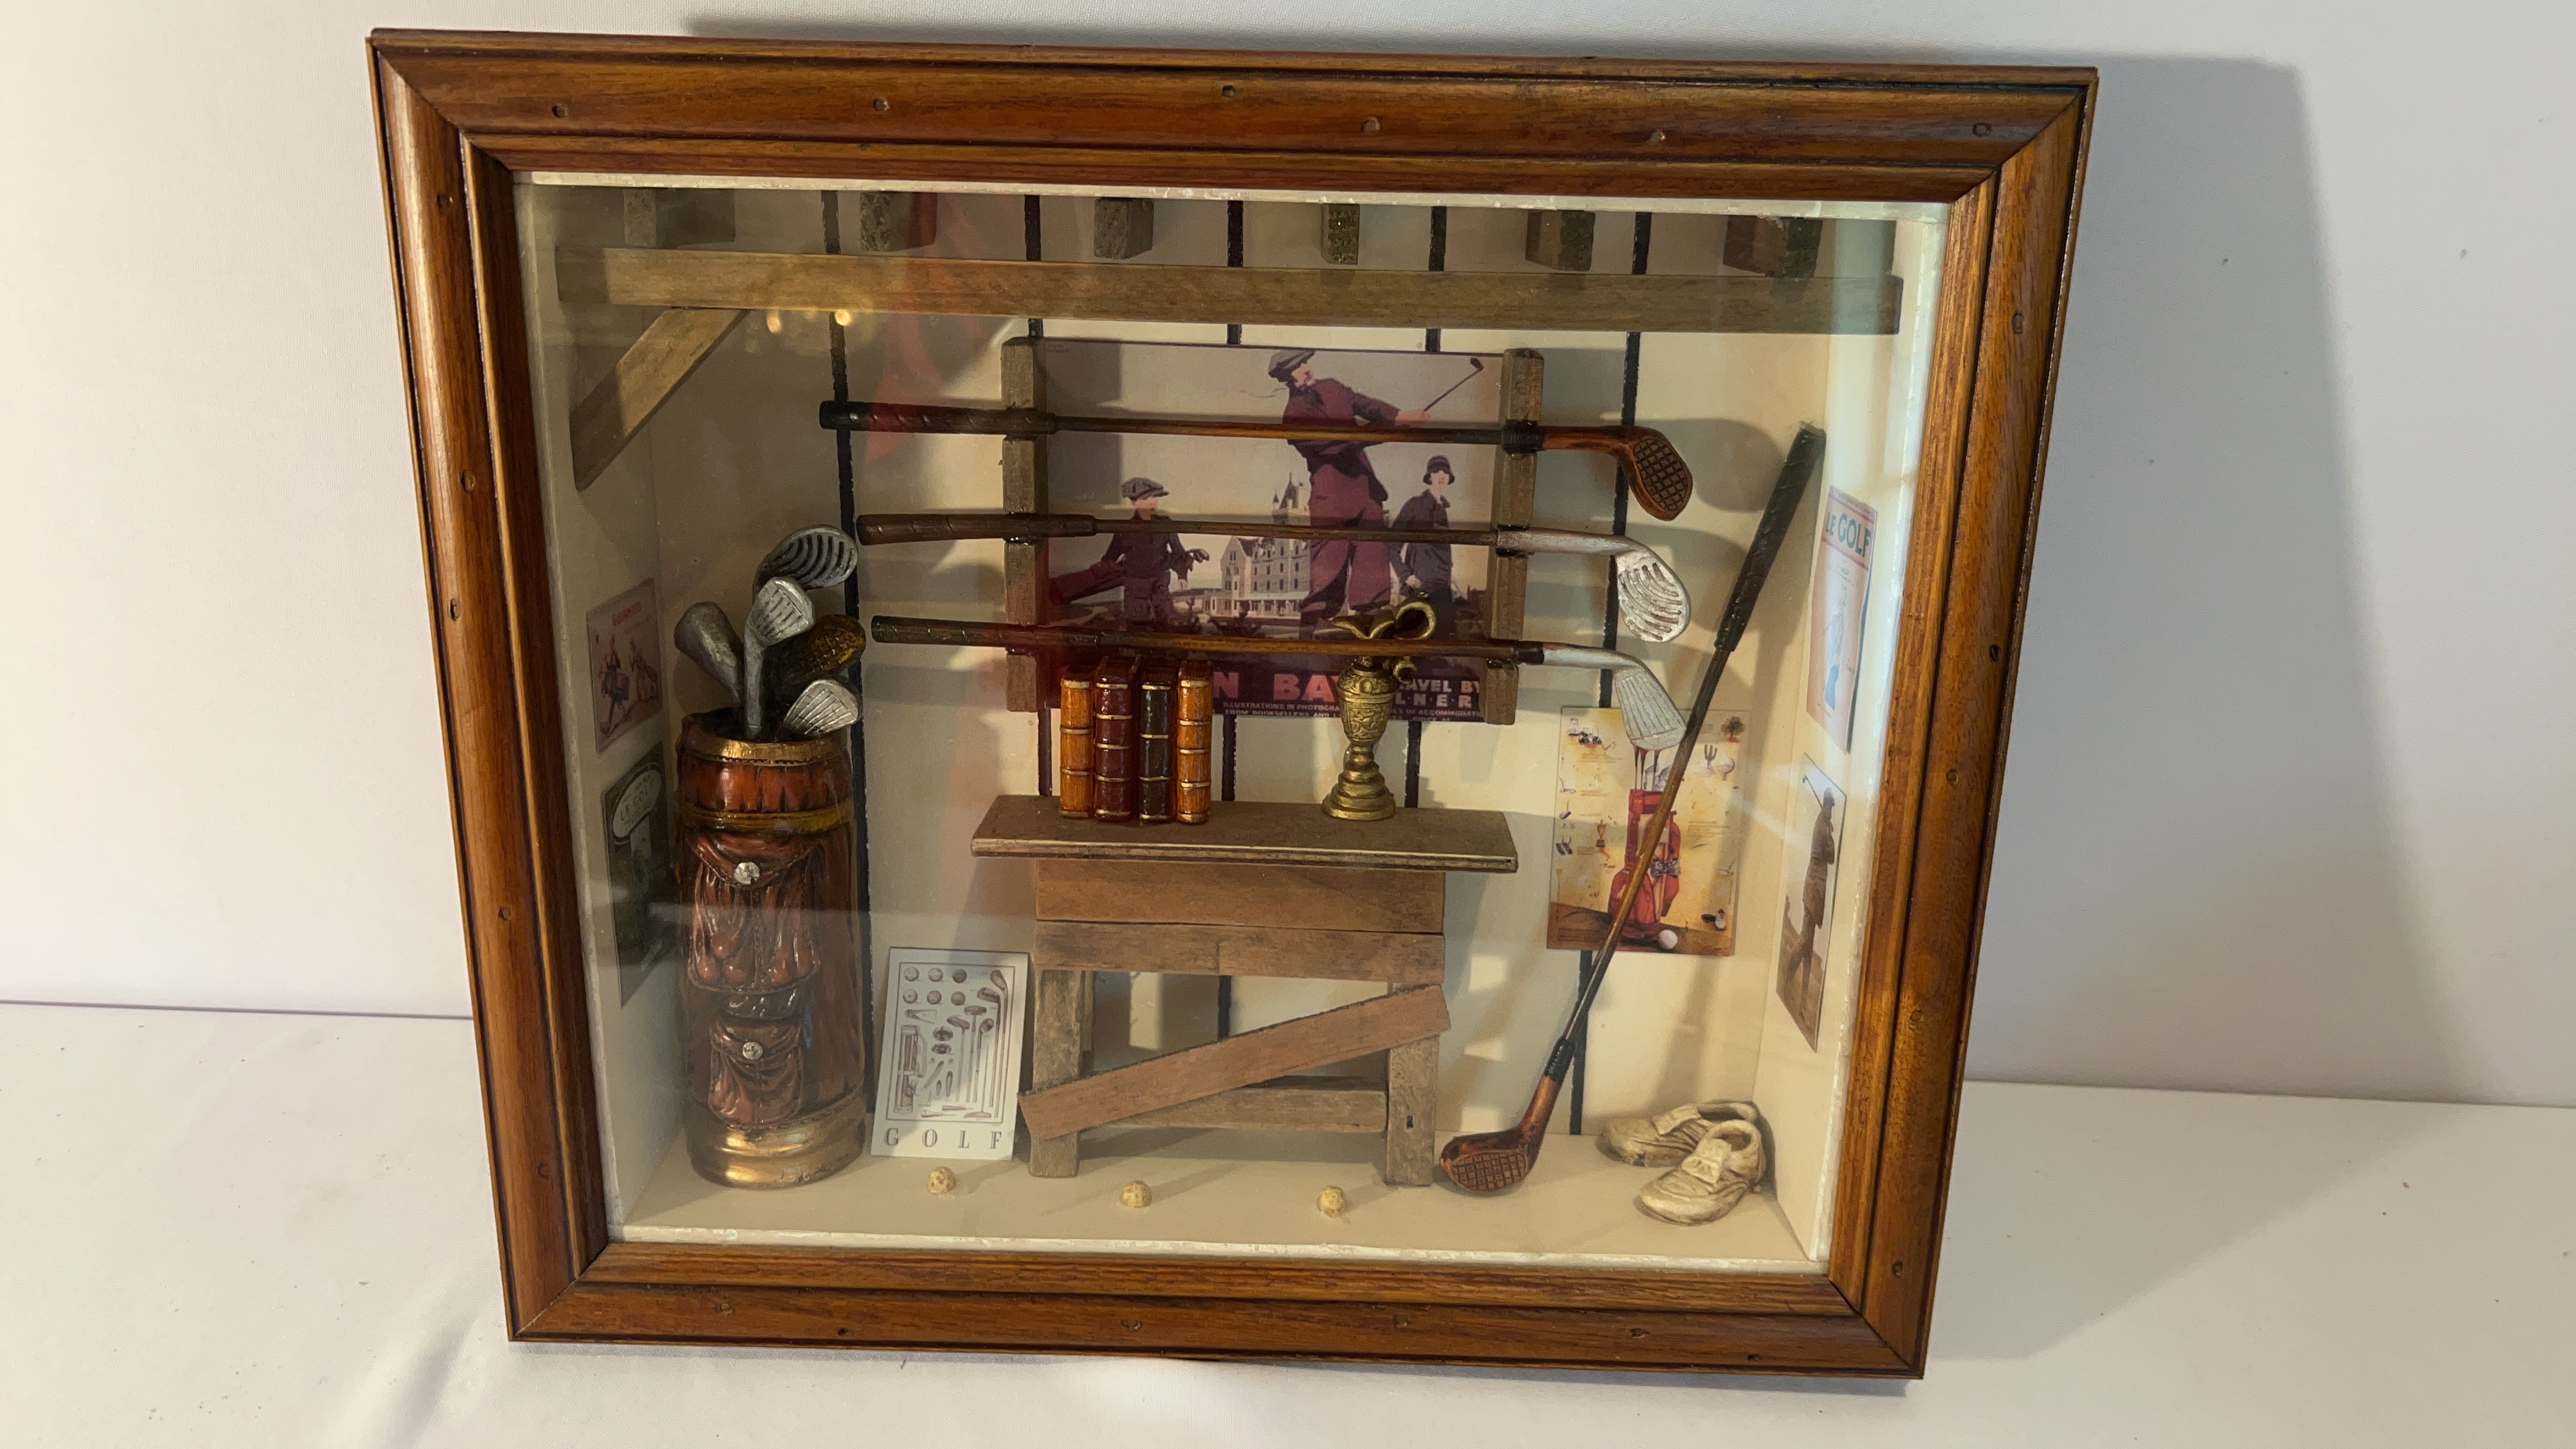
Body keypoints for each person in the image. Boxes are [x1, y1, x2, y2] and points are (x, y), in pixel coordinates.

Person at [1269, 348, 1425, 629]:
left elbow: (1364, 404)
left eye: (1306, 361)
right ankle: (1318, 620)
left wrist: (1401, 414)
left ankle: (1371, 615)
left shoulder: (1332, 387)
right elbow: (1338, 443)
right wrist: (1388, 430)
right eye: (1298, 366)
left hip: (1365, 488)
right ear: (1286, 377)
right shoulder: (1293, 416)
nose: (1306, 368)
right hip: (1331, 494)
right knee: (1330, 556)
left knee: (1372, 550)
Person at [1048, 477, 1205, 626]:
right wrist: (1109, 572)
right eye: (1149, 497)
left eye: (1155, 497)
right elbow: (1110, 557)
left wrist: (1182, 576)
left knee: (1167, 623)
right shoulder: (1125, 529)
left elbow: (1178, 551)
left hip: (1160, 585)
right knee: (1138, 625)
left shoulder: (1166, 524)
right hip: (1136, 587)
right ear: (1136, 502)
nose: (1154, 500)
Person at [1394, 454, 1456, 631]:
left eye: (1445, 471)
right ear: (1429, 477)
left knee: (1445, 636)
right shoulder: (1414, 505)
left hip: (1443, 588)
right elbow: (1391, 544)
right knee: (1416, 635)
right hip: (1421, 587)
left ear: (1449, 478)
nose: (1441, 475)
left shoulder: (1443, 508)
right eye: (1436, 471)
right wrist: (1406, 576)